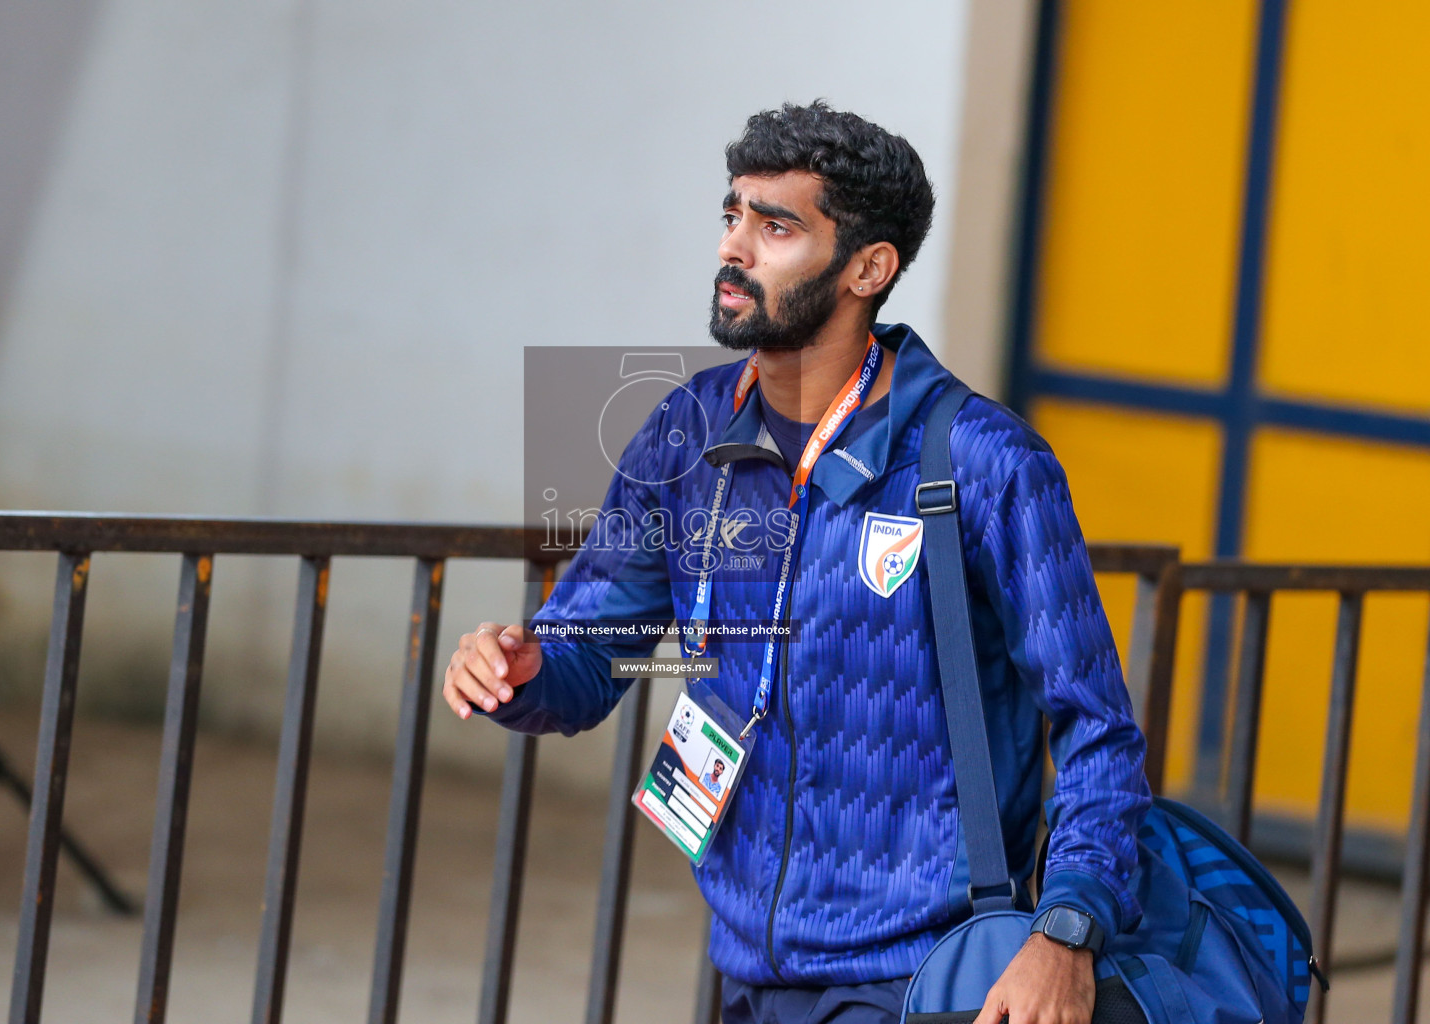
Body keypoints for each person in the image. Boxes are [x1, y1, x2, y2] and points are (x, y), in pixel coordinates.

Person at [443, 102, 1150, 1024]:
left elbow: (1096, 728)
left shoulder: (982, 462)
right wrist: (525, 668)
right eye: (734, 214)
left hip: (922, 978)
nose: (737, 247)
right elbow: (597, 648)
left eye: (777, 226)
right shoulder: (685, 433)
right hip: (750, 966)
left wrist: (1066, 934)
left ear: (869, 267)